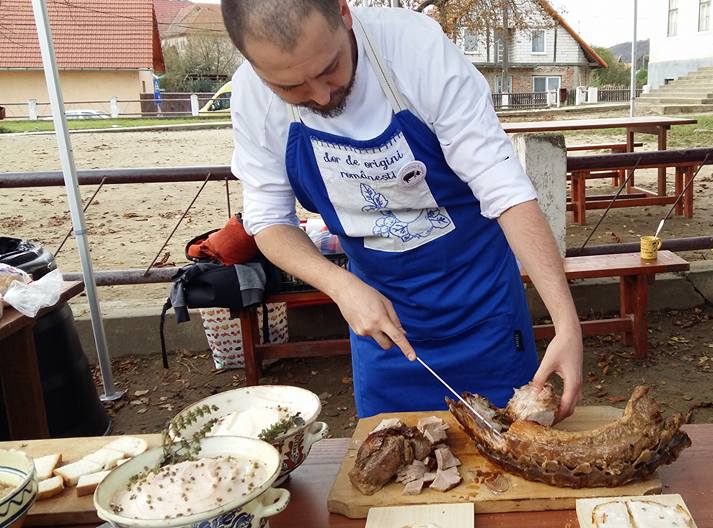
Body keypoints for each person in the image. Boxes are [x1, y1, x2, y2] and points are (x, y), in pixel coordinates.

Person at [220, 0, 583, 419]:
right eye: (290, 88)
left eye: (329, 68)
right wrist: (340, 286)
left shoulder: (415, 49)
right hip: (382, 324)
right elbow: (269, 222)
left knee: (512, 443)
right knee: (389, 448)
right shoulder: (252, 98)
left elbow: (505, 190)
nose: (320, 95)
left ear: (343, 12)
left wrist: (565, 321)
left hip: (483, 307)